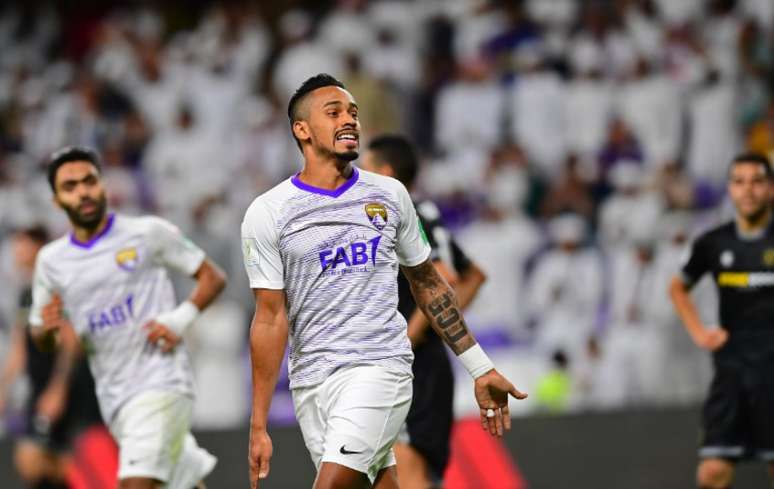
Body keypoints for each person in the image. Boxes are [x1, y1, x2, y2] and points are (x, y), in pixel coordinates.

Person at [242, 73, 527, 489]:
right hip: (312, 384)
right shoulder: (268, 212)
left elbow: (429, 284)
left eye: (354, 113)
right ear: (301, 130)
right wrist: (258, 423)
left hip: (379, 368)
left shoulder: (390, 196)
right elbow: (269, 318)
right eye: (334, 112)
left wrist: (480, 368)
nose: (350, 120)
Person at [28, 146, 227, 489]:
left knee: (136, 484)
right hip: (115, 397)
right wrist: (46, 329)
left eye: (89, 181)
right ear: (57, 201)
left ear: (103, 185)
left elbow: (213, 277)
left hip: (161, 381)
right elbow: (39, 334)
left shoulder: (147, 232)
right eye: (70, 186)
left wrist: (178, 320)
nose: (83, 192)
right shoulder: (51, 260)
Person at [361, 134, 487, 489]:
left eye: (365, 169)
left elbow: (444, 279)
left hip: (415, 368)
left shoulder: (409, 213)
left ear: (385, 173)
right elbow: (474, 275)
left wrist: (410, 337)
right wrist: (441, 324)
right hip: (426, 365)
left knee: (408, 468)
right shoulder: (424, 213)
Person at [669, 153, 774, 489]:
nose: (749, 191)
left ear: (770, 188)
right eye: (739, 182)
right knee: (712, 472)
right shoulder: (713, 242)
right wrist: (700, 333)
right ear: (730, 189)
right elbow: (677, 288)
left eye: (757, 181)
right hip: (732, 371)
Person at [0, 226, 102, 489]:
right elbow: (20, 347)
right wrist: (4, 387)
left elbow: (72, 343)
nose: (16, 252)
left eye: (22, 245)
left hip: (64, 389)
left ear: (39, 248)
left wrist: (58, 390)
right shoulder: (26, 294)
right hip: (39, 388)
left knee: (34, 457)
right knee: (35, 461)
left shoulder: (57, 289)